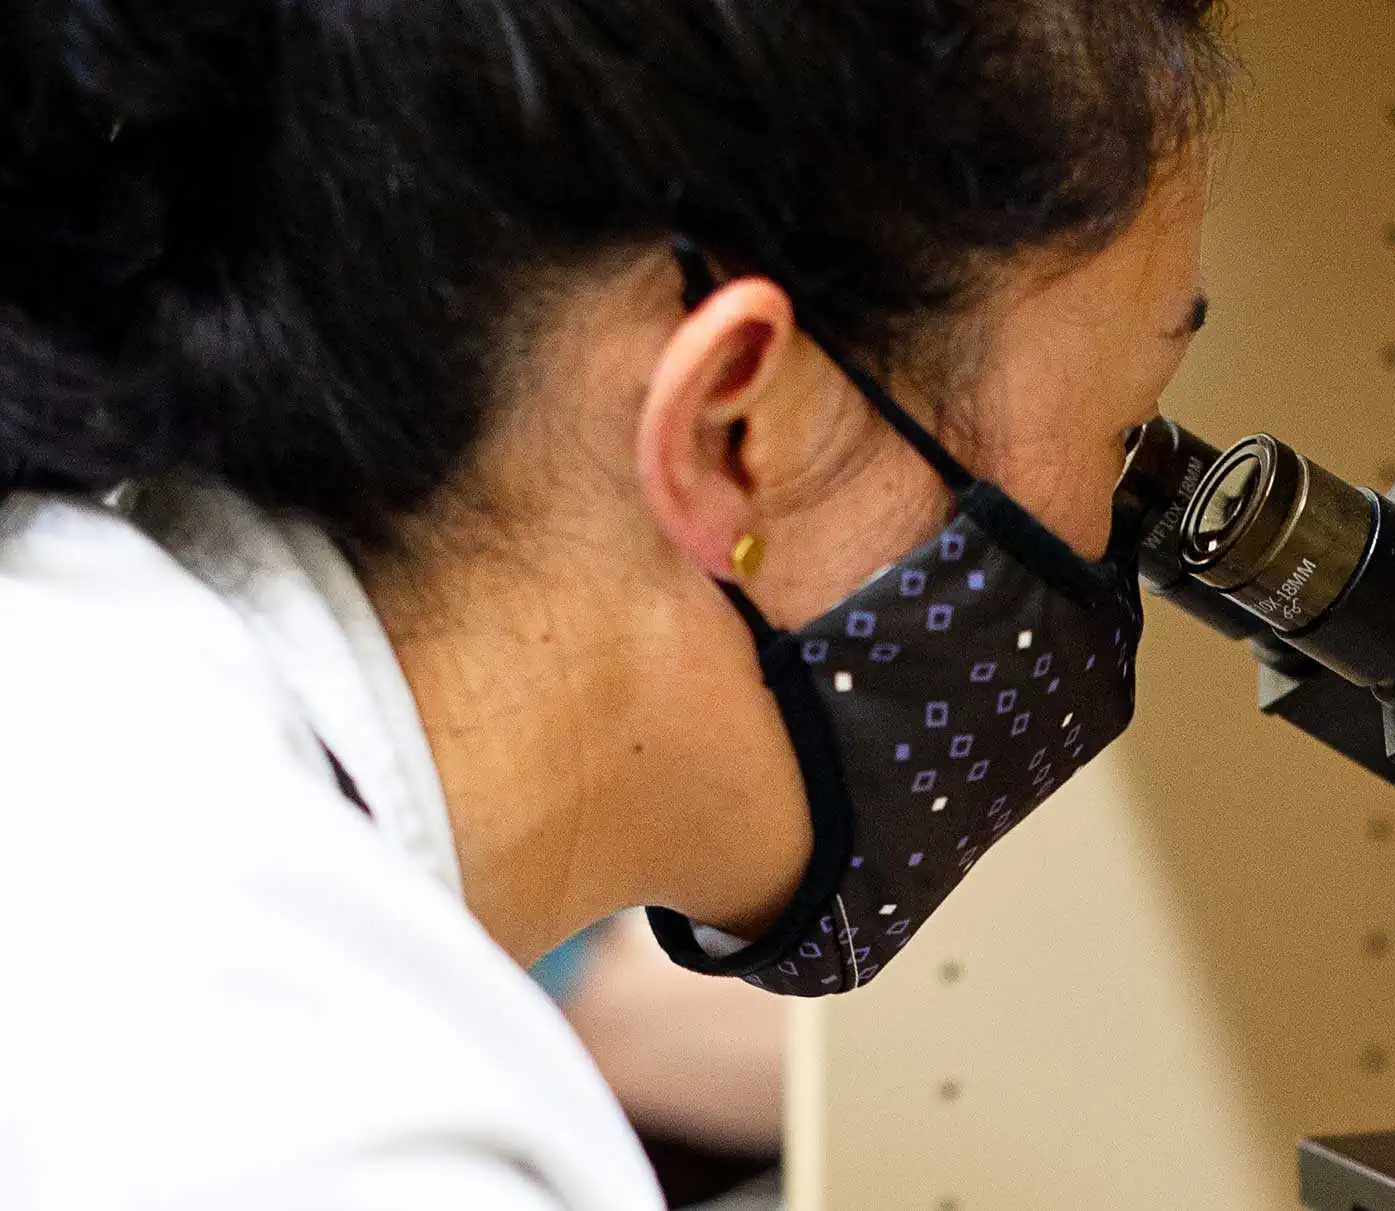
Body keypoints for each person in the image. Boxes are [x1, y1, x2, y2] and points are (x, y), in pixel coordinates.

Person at [0, 3, 1230, 1208]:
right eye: (1126, 431)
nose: (1120, 521)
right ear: (737, 427)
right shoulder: (348, 1135)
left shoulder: (84, 685)